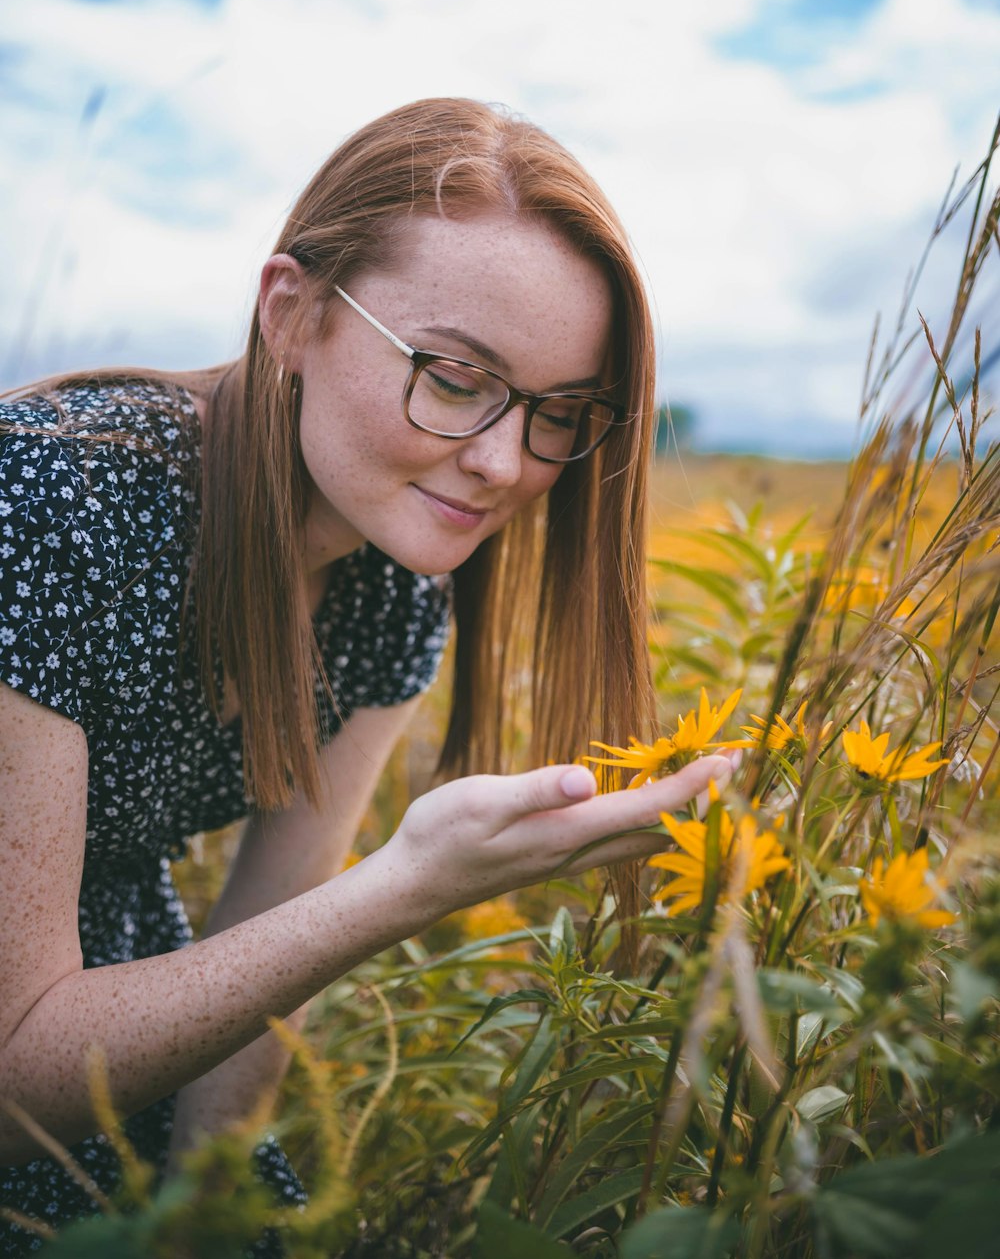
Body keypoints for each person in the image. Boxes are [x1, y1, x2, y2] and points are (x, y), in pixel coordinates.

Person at [0, 97, 737, 1252]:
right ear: (289, 315)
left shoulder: (395, 587)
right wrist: (409, 884)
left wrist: (207, 1218)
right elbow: (10, 1078)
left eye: (559, 412)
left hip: (105, 986)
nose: (502, 463)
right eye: (451, 377)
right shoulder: (49, 509)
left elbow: (259, 949)